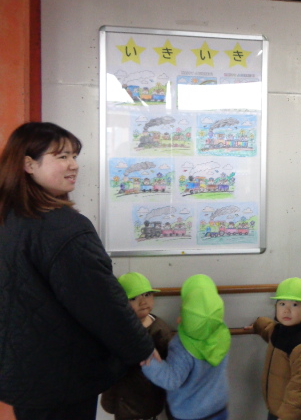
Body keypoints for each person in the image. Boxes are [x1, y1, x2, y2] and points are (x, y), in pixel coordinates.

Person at [0, 122, 155, 420]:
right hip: (61, 377)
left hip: (24, 372)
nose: (74, 165)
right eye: (62, 156)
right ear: (29, 165)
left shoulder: (9, 218)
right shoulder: (63, 228)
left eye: (74, 156)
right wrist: (142, 348)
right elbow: (102, 302)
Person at [142, 274, 230, 420]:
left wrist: (149, 361)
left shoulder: (182, 347)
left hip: (190, 413)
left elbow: (171, 379)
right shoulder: (221, 332)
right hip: (218, 407)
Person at [101, 272, 175, 420]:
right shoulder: (113, 329)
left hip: (146, 398)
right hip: (118, 396)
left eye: (147, 295)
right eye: (134, 298)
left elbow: (169, 367)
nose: (143, 302)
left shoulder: (159, 331)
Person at [252, 277, 301, 420]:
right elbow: (268, 329)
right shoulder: (280, 331)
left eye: (295, 305)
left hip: (294, 415)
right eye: (282, 304)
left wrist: (287, 417)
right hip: (277, 409)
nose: (286, 310)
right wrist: (257, 324)